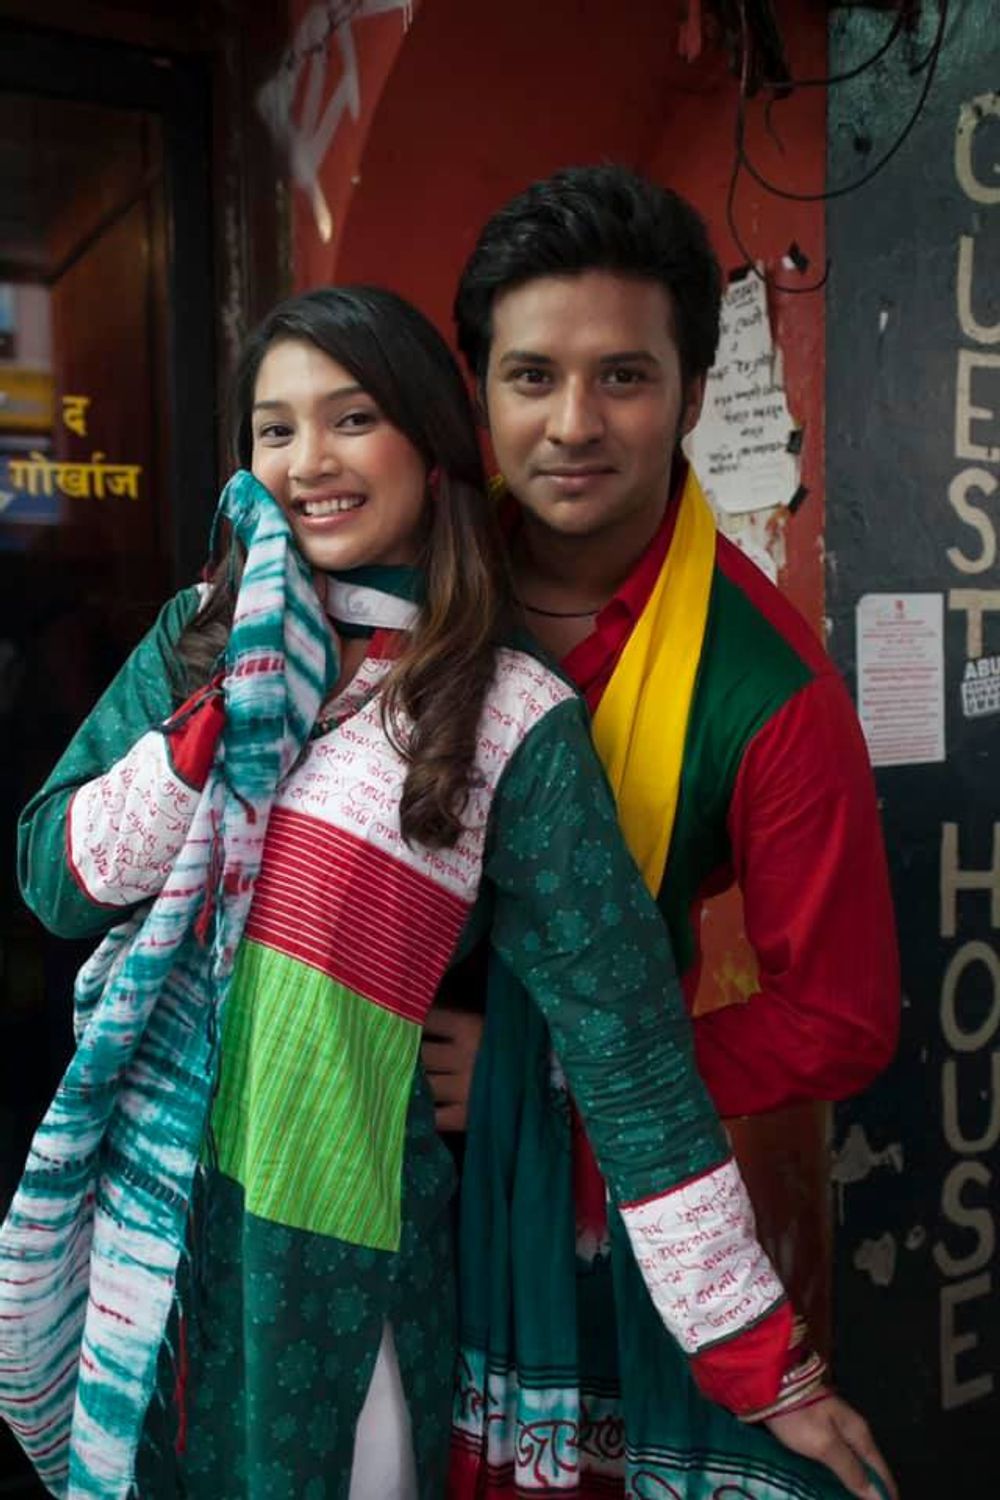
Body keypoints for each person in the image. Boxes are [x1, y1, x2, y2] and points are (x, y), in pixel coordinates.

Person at [1, 286, 853, 1500]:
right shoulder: (196, 636)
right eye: (276, 429)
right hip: (151, 1222)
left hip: (331, 1254)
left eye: (352, 419)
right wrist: (209, 728)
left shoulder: (503, 713)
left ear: (430, 444)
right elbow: (54, 879)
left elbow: (630, 1056)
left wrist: (766, 1365)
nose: (309, 462)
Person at [426, 166, 900, 1500]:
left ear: (691, 394)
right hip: (346, 1157)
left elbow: (841, 1019)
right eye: (532, 376)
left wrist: (545, 1079)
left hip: (600, 1200)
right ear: (481, 391)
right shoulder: (405, 586)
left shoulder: (768, 688)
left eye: (624, 377)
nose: (573, 424)